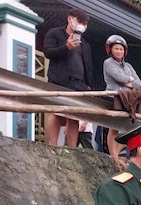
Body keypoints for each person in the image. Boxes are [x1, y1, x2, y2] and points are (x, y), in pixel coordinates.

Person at [43, 8, 92, 147]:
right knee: (56, 112)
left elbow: (88, 66)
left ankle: (72, 148)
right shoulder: (55, 33)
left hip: (79, 83)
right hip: (59, 79)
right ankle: (53, 145)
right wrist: (66, 47)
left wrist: (88, 84)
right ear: (70, 19)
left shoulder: (85, 44)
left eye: (85, 23)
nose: (82, 25)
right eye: (79, 21)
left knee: (74, 115)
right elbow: (48, 52)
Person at [103, 34, 141, 167]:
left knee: (128, 129)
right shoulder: (108, 63)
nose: (119, 51)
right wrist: (129, 80)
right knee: (113, 127)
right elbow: (119, 78)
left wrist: (129, 82)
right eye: (116, 49)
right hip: (113, 98)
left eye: (121, 49)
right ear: (110, 50)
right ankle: (113, 156)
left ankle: (116, 154)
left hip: (128, 100)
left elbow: (138, 82)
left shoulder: (128, 66)